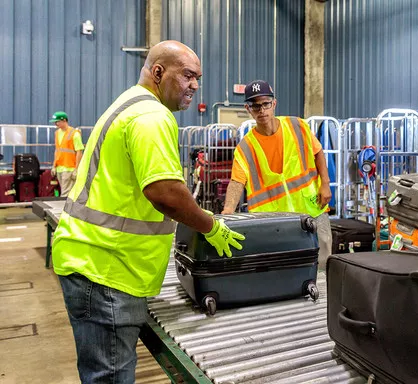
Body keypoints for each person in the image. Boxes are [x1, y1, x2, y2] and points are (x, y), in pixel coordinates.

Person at [52, 40, 245, 384]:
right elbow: (165, 193)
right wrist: (211, 226)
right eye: (187, 75)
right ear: (158, 72)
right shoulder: (151, 116)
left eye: (197, 78)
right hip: (107, 271)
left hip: (93, 262)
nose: (194, 85)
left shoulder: (128, 104)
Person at [221, 79, 333, 266]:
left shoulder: (297, 126)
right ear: (248, 109)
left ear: (274, 103)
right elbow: (236, 182)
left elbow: (318, 152)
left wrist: (325, 184)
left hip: (312, 209)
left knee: (322, 261)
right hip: (275, 221)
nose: (261, 110)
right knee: (285, 266)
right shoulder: (245, 147)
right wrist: (227, 212)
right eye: (255, 106)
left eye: (265, 104)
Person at [49, 111, 83, 194]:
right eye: (55, 122)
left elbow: (79, 152)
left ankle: (65, 203)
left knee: (65, 193)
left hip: (69, 168)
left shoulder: (74, 134)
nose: (56, 124)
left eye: (57, 121)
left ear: (64, 120)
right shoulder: (57, 133)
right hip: (59, 167)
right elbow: (57, 150)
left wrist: (77, 169)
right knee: (65, 191)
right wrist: (54, 166)